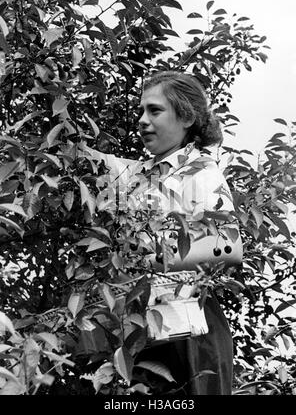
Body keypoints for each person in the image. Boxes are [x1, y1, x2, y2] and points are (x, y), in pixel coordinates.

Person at [97, 71, 243, 394]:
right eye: (140, 111)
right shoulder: (138, 175)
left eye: (154, 110)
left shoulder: (201, 171)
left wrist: (157, 257)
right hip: (146, 332)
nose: (142, 120)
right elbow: (89, 160)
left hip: (191, 336)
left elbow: (230, 245)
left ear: (187, 116)